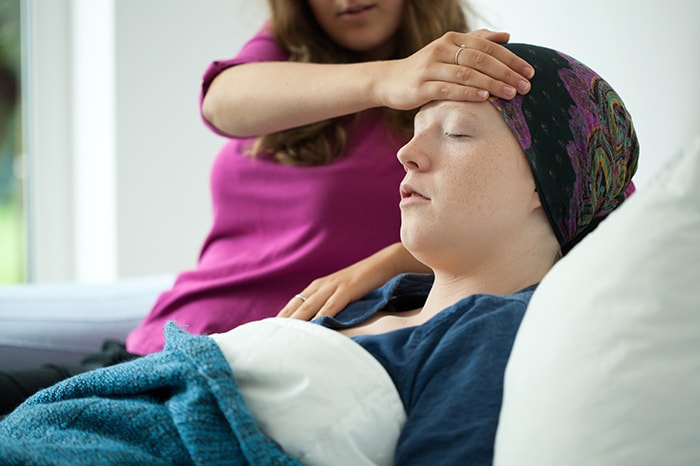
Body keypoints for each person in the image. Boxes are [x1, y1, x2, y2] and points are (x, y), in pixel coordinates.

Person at [0, 43, 638, 465]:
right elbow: (221, 99)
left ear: (549, 180)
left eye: (458, 134)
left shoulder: (497, 334)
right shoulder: (386, 300)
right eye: (414, 133)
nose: (406, 155)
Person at [0, 0, 535, 413]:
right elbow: (220, 101)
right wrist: (387, 78)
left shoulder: (475, 82)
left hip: (243, 370)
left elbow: (564, 214)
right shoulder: (285, 54)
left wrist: (386, 263)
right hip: (158, 342)